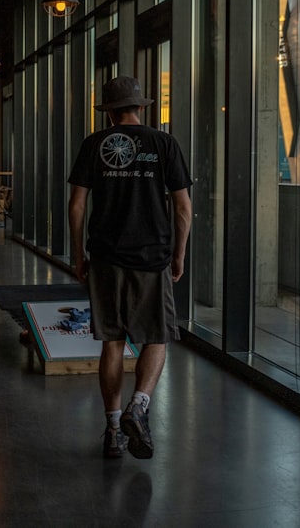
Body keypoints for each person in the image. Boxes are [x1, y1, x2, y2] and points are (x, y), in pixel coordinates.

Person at [67, 75, 192, 460]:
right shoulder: (164, 144)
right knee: (156, 336)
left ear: (109, 114)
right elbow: (184, 208)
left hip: (105, 256)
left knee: (112, 341)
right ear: (141, 107)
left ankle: (112, 429)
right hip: (152, 255)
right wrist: (178, 254)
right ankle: (140, 406)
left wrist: (78, 255)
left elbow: (76, 206)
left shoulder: (93, 145)